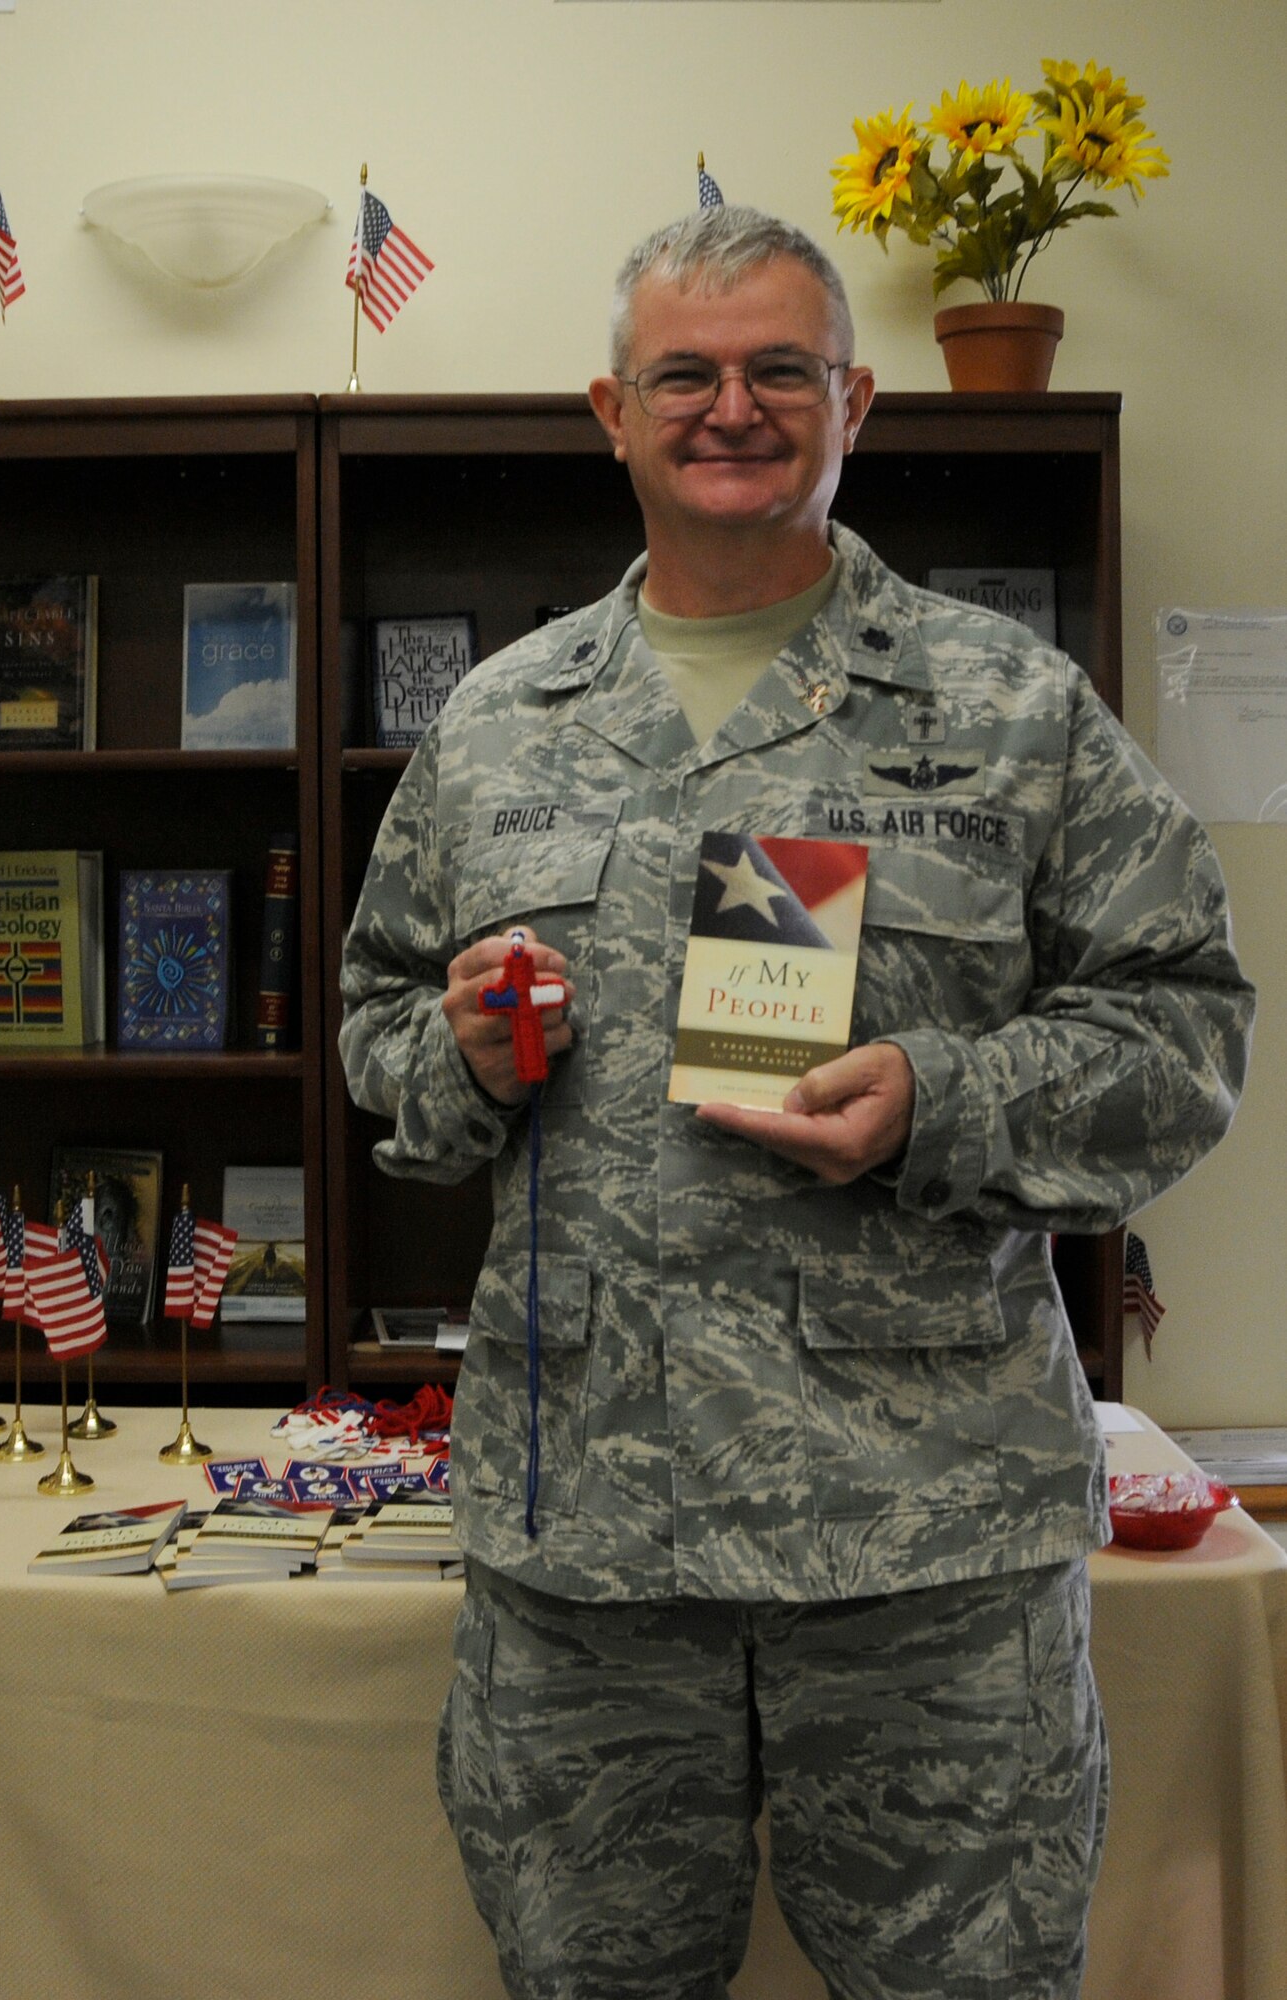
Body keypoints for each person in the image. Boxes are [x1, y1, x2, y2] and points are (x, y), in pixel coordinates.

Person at [338, 205, 1254, 2000]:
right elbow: (380, 1020)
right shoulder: (499, 724)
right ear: (609, 409)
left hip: (926, 1554)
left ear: (855, 405)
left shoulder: (1011, 710)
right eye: (685, 372)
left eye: (780, 370)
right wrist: (453, 1051)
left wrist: (947, 1095)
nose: (731, 407)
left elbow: (1183, 1033)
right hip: (584, 1548)